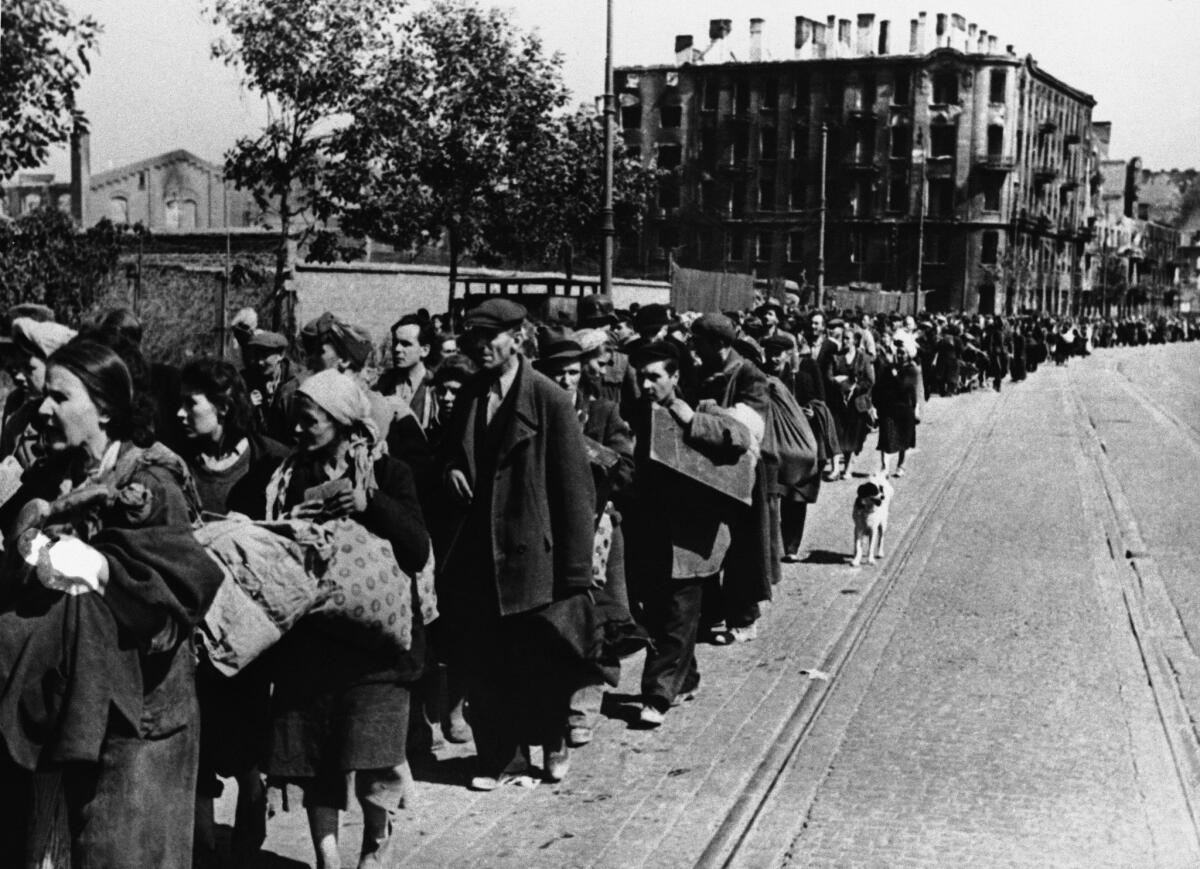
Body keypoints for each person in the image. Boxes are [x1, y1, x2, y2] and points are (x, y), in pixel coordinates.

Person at [0, 339, 223, 868]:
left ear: (103, 406)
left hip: (140, 726)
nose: (44, 409)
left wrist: (93, 568)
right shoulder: (55, 477)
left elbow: (171, 611)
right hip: (71, 719)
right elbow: (19, 551)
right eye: (42, 396)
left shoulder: (150, 483)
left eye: (59, 396)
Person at [240, 369, 431, 869]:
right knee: (315, 755)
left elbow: (416, 549)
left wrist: (370, 505)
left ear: (344, 423)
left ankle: (375, 842)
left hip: (377, 649)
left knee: (372, 757)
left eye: (309, 422)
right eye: (295, 422)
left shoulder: (389, 474)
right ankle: (328, 858)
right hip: (312, 644)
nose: (298, 432)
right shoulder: (285, 479)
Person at [440, 299, 596, 789]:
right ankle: (500, 758)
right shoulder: (470, 394)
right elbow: (451, 452)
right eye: (475, 339)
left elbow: (575, 489)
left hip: (533, 555)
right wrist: (451, 470)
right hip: (478, 554)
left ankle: (552, 738)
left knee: (538, 660)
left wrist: (574, 572)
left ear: (519, 337)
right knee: (486, 660)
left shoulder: (548, 398)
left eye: (493, 337)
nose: (483, 347)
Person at [176, 357, 288, 868]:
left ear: (222, 406)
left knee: (244, 737)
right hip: (193, 620)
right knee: (196, 730)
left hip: (249, 625)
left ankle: (250, 822)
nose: (180, 413)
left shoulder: (269, 461)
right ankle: (202, 846)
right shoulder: (174, 462)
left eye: (190, 403)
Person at [624, 340, 755, 726]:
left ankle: (657, 694)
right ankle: (687, 678)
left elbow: (740, 438)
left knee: (679, 613)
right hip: (649, 533)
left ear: (675, 376)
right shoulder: (633, 414)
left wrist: (688, 419)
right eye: (641, 377)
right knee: (662, 613)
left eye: (654, 377)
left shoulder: (701, 407)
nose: (646, 385)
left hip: (692, 537)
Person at [534, 331, 637, 749]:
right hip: (546, 535)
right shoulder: (532, 415)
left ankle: (583, 709)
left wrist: (582, 446)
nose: (566, 381)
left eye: (573, 372)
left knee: (595, 621)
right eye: (557, 374)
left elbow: (626, 471)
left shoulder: (603, 414)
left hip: (597, 536)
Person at [690, 313, 772, 644]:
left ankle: (744, 616)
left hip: (743, 474)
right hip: (706, 470)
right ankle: (710, 612)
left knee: (742, 546)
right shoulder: (703, 370)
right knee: (706, 542)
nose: (694, 348)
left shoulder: (750, 374)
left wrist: (708, 410)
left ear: (720, 344)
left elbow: (751, 424)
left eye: (699, 342)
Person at [1, 318, 77, 469]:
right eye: (20, 367)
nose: (20, 376)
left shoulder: (79, 418)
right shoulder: (22, 416)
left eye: (29, 369)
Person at [375, 315, 439, 431]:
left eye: (406, 344)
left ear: (424, 350)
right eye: (396, 342)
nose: (397, 349)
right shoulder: (384, 383)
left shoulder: (435, 386)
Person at [874, 334, 921, 478]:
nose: (900, 356)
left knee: (904, 439)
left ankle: (901, 465)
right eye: (898, 353)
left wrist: (895, 374)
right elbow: (880, 386)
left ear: (908, 354)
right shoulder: (890, 367)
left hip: (905, 408)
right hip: (889, 407)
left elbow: (904, 386)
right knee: (886, 438)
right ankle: (884, 467)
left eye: (903, 353)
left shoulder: (912, 369)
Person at [243, 329, 299, 445]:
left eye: (264, 356)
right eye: (256, 355)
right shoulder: (247, 379)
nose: (259, 362)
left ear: (280, 355)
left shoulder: (296, 384)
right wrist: (247, 405)